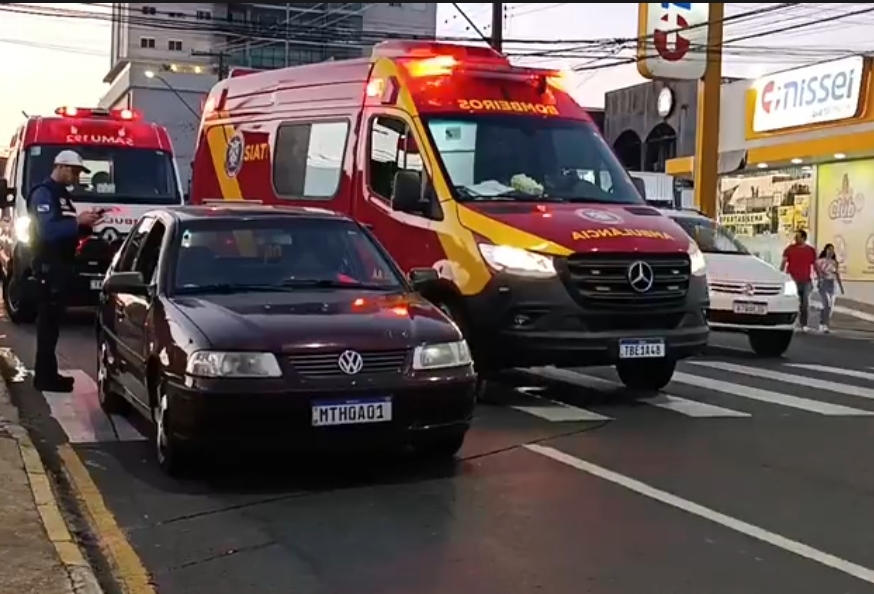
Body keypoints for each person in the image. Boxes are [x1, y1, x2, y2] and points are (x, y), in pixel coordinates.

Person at [29, 150, 102, 392]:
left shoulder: (63, 196)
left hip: (62, 266)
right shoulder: (44, 194)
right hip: (49, 267)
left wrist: (86, 226)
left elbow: (68, 231)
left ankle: (50, 374)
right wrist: (77, 222)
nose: (76, 176)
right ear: (59, 167)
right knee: (47, 325)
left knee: (54, 324)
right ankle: (44, 378)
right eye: (74, 171)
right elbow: (47, 231)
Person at [781, 229, 817, 332]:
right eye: (795, 237)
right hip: (792, 280)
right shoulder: (789, 249)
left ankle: (804, 324)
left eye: (798, 237)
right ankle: (790, 322)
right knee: (791, 302)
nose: (795, 238)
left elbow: (814, 264)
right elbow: (783, 262)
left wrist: (819, 276)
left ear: (804, 238)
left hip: (806, 280)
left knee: (804, 303)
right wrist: (781, 274)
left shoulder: (810, 250)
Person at [815, 243, 844, 333]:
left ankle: (824, 323)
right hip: (823, 283)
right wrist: (820, 280)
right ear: (825, 250)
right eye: (829, 249)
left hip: (831, 284)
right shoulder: (819, 261)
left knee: (830, 306)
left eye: (832, 250)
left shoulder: (834, 262)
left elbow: (836, 274)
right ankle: (823, 324)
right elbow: (817, 273)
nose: (831, 251)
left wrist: (841, 287)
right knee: (826, 304)